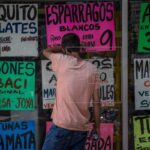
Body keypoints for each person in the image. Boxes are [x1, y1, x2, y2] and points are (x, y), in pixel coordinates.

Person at [42, 33, 100, 150]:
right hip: (81, 129)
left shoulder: (61, 60)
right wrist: (98, 127)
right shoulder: (92, 69)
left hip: (61, 127)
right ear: (79, 47)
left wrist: (62, 49)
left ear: (64, 49)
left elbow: (46, 51)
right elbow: (97, 103)